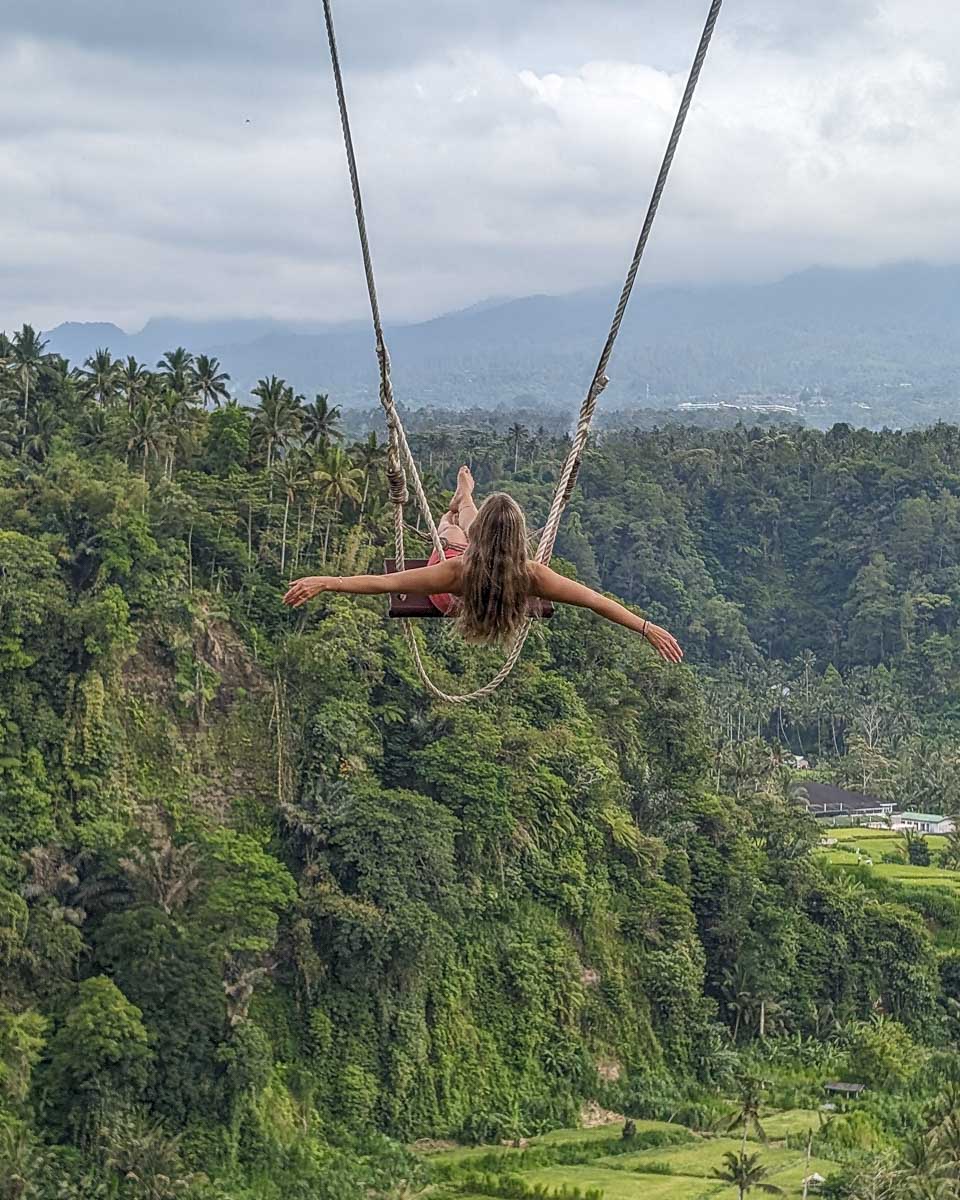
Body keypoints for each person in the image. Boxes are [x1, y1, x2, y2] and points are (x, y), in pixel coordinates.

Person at [283, 467, 683, 663]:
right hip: (503, 592)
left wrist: (327, 581)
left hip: (454, 598)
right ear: (518, 537)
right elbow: (596, 600)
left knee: (449, 533)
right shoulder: (532, 575)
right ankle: (465, 500)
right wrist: (644, 628)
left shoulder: (455, 573)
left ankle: (457, 506)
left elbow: (385, 582)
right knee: (464, 533)